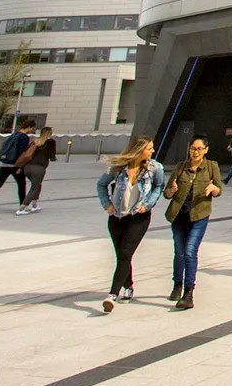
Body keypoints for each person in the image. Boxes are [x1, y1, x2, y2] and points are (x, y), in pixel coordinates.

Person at [95, 136, 165, 312]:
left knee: (126, 252)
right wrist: (107, 205)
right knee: (122, 255)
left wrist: (147, 204)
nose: (152, 151)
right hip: (117, 217)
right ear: (139, 150)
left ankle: (112, 294)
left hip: (138, 217)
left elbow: (158, 187)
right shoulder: (118, 168)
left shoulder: (155, 168)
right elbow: (101, 185)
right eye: (149, 148)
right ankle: (129, 286)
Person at [163, 134, 222, 310]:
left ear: (206, 150)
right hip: (179, 216)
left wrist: (213, 189)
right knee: (179, 252)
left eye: (199, 149)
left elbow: (219, 189)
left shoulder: (211, 167)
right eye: (193, 149)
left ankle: (189, 292)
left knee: (190, 251)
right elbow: (167, 193)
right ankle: (177, 284)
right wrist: (172, 190)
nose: (196, 152)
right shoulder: (181, 167)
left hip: (199, 215)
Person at [17, 126, 58, 215]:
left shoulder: (35, 141)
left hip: (27, 167)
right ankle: (22, 208)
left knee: (37, 185)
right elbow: (52, 156)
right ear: (50, 133)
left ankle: (34, 205)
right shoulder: (51, 142)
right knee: (34, 187)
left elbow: (26, 154)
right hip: (39, 168)